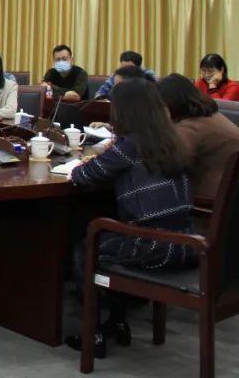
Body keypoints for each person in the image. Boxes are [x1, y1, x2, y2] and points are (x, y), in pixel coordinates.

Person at [66, 78, 196, 356]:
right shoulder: (171, 140)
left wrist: (91, 161)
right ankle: (118, 321)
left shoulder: (129, 146)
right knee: (112, 237)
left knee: (86, 246)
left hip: (154, 246)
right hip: (188, 243)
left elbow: (82, 175)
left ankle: (93, 335)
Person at [157, 73, 239, 201]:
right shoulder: (210, 116)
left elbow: (167, 164)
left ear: (170, 104)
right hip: (228, 197)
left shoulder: (192, 128)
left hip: (212, 201)